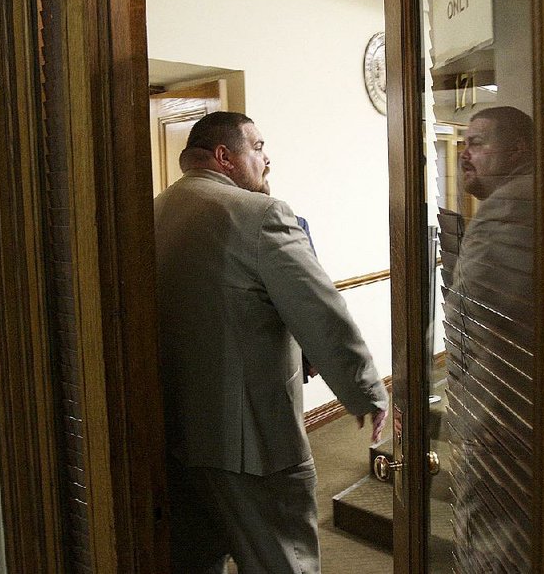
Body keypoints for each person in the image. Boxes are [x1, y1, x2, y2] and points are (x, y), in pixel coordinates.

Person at [154, 111, 389, 574]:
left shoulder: (154, 213)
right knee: (284, 562)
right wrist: (366, 391)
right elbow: (321, 312)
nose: (267, 159)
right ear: (225, 157)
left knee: (194, 559)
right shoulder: (261, 214)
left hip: (177, 437)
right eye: (258, 147)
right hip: (253, 445)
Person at [445, 106, 535, 572]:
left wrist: (473, 428)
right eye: (464, 143)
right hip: (516, 423)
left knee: (492, 551)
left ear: (518, 149)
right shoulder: (521, 202)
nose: (465, 154)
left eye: (478, 142)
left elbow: (484, 330)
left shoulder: (511, 210)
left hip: (501, 425)